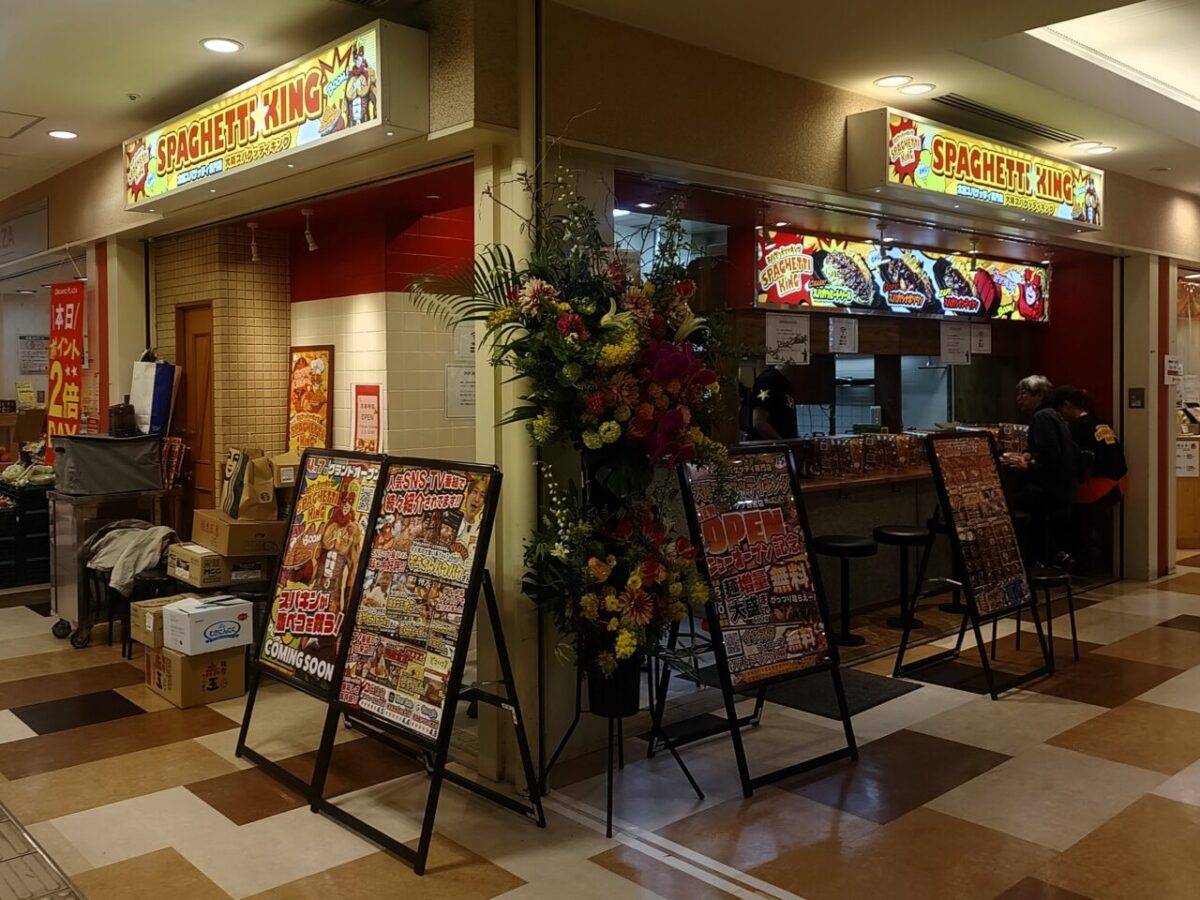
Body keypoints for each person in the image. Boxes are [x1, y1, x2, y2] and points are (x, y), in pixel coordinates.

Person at [1001, 375, 1079, 558]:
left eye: (1024, 393)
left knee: (1004, 504)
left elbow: (1051, 458)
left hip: (1050, 491)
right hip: (1065, 490)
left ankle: (1030, 557)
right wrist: (1026, 455)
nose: (1019, 398)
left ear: (1039, 396)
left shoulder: (1041, 417)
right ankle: (1051, 553)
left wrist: (1026, 466)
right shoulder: (1053, 415)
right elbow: (1046, 450)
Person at [1053, 385, 1128, 505]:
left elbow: (1075, 461)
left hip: (1098, 486)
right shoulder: (1099, 421)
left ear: (1066, 405)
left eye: (1059, 411)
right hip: (1120, 482)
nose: (1060, 416)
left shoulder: (1078, 426)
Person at [747, 365, 800, 441]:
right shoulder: (768, 379)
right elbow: (759, 423)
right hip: (768, 447)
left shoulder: (785, 383)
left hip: (782, 445)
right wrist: (783, 444)